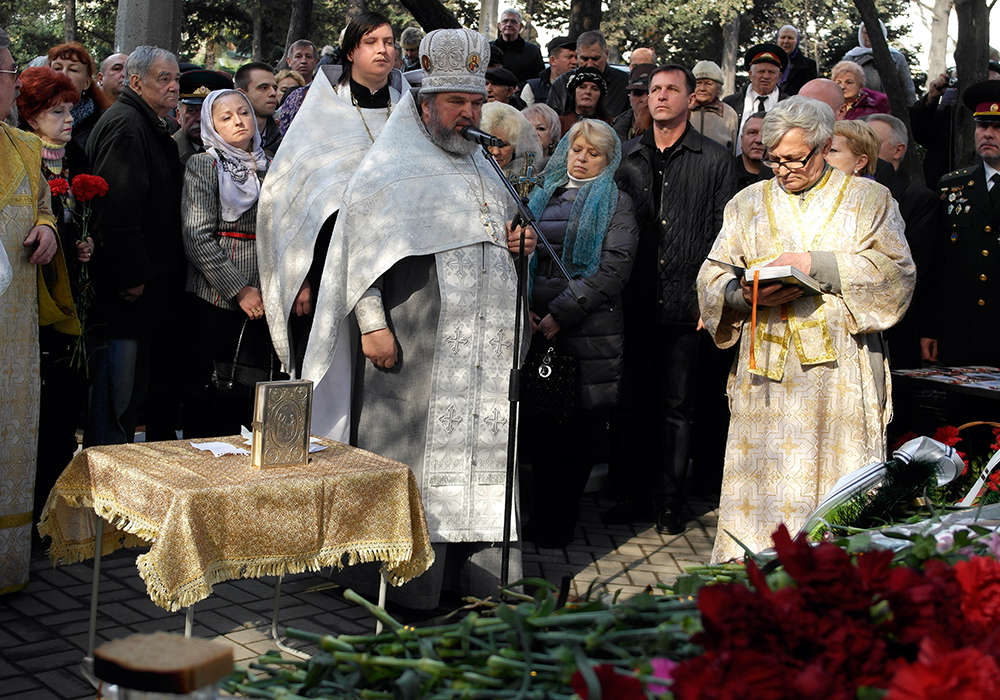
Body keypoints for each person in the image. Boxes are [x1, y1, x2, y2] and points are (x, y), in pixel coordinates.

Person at [307, 28, 536, 609]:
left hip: (484, 351)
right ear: (425, 105)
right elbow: (358, 254)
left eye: (476, 102)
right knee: (406, 462)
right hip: (415, 343)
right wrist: (371, 323)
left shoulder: (485, 167)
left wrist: (518, 240)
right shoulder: (390, 167)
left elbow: (497, 232)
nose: (469, 113)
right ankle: (401, 591)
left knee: (479, 462)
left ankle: (472, 580)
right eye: (456, 103)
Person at [697, 96, 914, 563]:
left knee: (837, 492)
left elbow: (897, 273)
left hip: (840, 377)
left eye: (793, 159)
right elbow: (711, 275)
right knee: (761, 504)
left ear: (822, 147)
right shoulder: (747, 203)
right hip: (766, 380)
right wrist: (742, 295)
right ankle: (748, 584)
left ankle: (835, 587)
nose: (781, 169)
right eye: (773, 158)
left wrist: (818, 265)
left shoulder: (869, 199)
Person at [257, 11, 405, 445]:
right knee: (333, 388)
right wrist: (301, 277)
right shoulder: (321, 110)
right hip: (332, 272)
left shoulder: (408, 114)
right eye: (372, 41)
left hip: (398, 268)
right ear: (350, 51)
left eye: (389, 42)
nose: (383, 50)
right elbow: (294, 199)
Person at [606, 65, 736, 535]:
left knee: (678, 407)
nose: (660, 97)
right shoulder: (626, 156)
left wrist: (713, 299)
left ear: (689, 99)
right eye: (654, 89)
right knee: (631, 403)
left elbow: (728, 235)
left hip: (687, 302)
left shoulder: (716, 159)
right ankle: (633, 494)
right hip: (632, 299)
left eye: (671, 89)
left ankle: (669, 500)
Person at [522, 119, 638, 549]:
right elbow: (518, 252)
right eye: (577, 149)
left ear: (608, 160)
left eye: (594, 153)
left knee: (577, 434)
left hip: (587, 331)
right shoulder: (540, 194)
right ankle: (539, 519)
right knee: (542, 430)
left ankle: (561, 523)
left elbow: (614, 267)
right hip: (538, 328)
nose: (582, 159)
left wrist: (561, 312)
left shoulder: (615, 203)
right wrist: (528, 308)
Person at [84, 46, 185, 446]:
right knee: (114, 403)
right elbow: (116, 209)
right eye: (165, 79)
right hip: (123, 295)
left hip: (143, 293)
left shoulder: (148, 124)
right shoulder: (128, 125)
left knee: (128, 405)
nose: (175, 86)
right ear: (136, 81)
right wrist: (132, 276)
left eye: (176, 78)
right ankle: (98, 500)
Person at [16, 66, 95, 522]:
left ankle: (56, 514)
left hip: (73, 303)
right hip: (31, 299)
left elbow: (90, 220)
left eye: (70, 109)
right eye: (56, 111)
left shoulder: (78, 156)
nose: (68, 119)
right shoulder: (22, 159)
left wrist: (88, 241)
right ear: (30, 116)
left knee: (66, 410)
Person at [0, 26, 59, 593]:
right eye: (8, 73)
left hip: (13, 325)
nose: (15, 84)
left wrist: (46, 229)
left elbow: (43, 205)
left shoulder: (21, 145)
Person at [181, 89, 277, 437]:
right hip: (215, 297)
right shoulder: (205, 165)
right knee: (212, 393)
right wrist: (239, 290)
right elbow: (197, 236)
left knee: (252, 391)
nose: (238, 121)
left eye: (243, 113)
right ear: (211, 124)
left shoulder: (271, 165)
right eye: (226, 117)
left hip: (267, 294)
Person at [921, 81, 1000, 369]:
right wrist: (930, 327)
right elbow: (937, 264)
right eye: (982, 126)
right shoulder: (953, 186)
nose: (988, 134)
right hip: (960, 332)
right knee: (961, 414)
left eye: (998, 128)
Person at [864, 113, 938, 370]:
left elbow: (920, 268)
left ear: (899, 150)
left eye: (873, 140)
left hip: (900, 321)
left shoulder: (919, 199)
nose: (865, 146)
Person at [546, 31, 629, 118]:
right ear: (577, 55)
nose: (589, 64)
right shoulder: (561, 83)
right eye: (584, 59)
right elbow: (550, 121)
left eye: (595, 59)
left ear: (606, 54)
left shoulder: (624, 83)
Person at [47, 42, 114, 149]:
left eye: (73, 70)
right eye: (57, 68)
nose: (63, 74)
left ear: (87, 83)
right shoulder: (31, 118)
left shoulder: (104, 124)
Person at [724, 43, 789, 152]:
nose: (766, 76)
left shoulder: (788, 106)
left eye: (771, 72)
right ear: (750, 74)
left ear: (779, 77)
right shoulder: (731, 103)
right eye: (761, 72)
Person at [842, 20, 915, 106]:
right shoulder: (850, 57)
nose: (869, 35)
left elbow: (907, 87)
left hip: (890, 110)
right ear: (861, 35)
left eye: (873, 32)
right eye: (865, 32)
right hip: (860, 109)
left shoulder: (896, 57)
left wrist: (911, 109)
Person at [173, 69, 233, 166]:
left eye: (208, 111)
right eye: (192, 111)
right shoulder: (165, 151)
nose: (200, 118)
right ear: (179, 115)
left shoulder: (237, 149)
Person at [480, 101, 544, 176]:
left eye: (503, 145)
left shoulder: (524, 178)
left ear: (515, 146)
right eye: (489, 143)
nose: (496, 152)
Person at [235, 62, 282, 156]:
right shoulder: (229, 141)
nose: (273, 93)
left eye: (275, 88)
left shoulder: (284, 139)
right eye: (264, 88)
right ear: (242, 94)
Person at [690, 60, 739, 151]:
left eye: (708, 84)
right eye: (698, 83)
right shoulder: (682, 110)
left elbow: (733, 150)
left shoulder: (729, 114)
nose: (702, 89)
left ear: (718, 89)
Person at [490, 8, 544, 86]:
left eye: (513, 21)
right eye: (505, 21)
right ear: (499, 25)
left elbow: (539, 78)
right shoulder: (488, 48)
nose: (508, 24)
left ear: (520, 27)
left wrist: (520, 86)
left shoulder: (532, 51)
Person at [521, 36, 575, 107]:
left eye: (576, 57)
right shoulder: (532, 88)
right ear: (553, 60)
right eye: (569, 57)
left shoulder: (582, 86)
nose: (575, 62)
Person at [558, 67, 611, 136]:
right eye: (582, 87)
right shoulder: (558, 124)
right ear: (573, 93)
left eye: (594, 89)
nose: (588, 92)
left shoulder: (611, 126)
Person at [612, 63, 653, 142]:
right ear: (629, 97)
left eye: (649, 93)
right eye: (638, 93)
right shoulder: (616, 126)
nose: (644, 99)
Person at [733, 112, 773, 190]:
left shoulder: (782, 176)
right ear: (741, 140)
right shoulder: (726, 173)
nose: (759, 140)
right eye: (752, 132)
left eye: (766, 134)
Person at [775, 25, 817, 96]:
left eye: (790, 38)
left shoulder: (809, 65)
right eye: (782, 37)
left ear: (797, 41)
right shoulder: (768, 62)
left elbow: (810, 93)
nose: (786, 41)